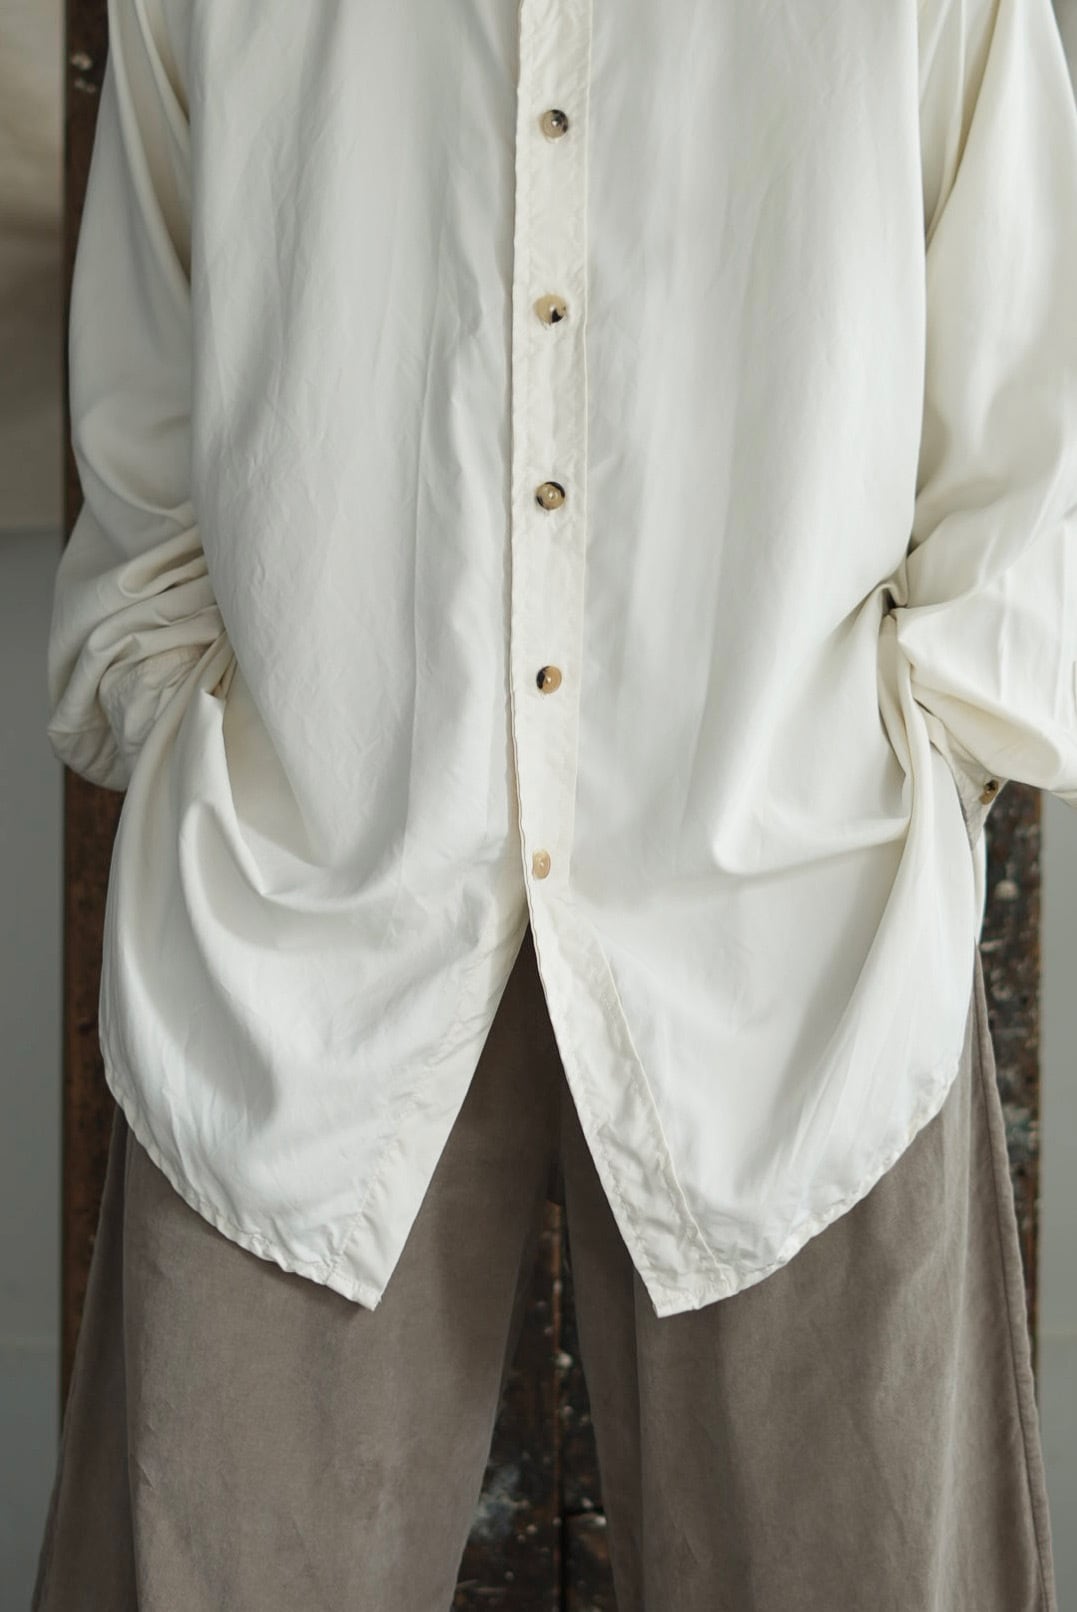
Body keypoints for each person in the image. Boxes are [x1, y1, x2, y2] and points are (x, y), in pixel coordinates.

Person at [33, 0, 1077, 1605]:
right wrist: (185, 727)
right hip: (301, 925)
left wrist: (915, 767)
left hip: (796, 934)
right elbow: (143, 417)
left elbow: (1025, 423)